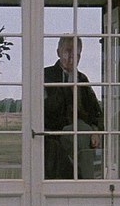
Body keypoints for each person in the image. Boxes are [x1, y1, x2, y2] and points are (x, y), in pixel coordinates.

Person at [44, 36, 104, 179]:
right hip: (54, 134)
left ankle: (86, 182)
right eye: (68, 51)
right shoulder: (46, 76)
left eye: (77, 53)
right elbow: (46, 109)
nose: (72, 57)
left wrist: (95, 130)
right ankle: (85, 182)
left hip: (81, 132)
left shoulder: (82, 79)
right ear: (58, 52)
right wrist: (67, 87)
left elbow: (95, 111)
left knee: (83, 133)